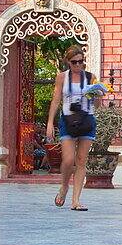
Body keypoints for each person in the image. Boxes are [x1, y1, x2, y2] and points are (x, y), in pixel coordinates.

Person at [46, 45, 107, 211]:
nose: (78, 65)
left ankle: (76, 201)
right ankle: (64, 186)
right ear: (68, 62)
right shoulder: (62, 77)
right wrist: (50, 122)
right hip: (67, 119)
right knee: (68, 159)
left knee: (81, 161)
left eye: (81, 62)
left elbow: (98, 106)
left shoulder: (90, 77)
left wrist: (98, 95)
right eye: (74, 62)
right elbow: (55, 100)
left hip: (86, 119)